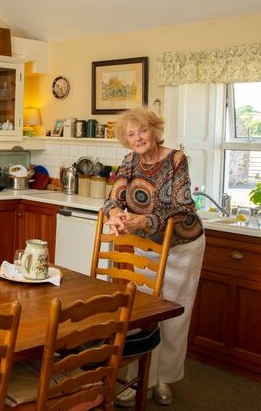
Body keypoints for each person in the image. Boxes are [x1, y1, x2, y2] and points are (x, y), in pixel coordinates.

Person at [102, 107, 205, 407]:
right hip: (148, 247)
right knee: (143, 315)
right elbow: (113, 198)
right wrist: (116, 214)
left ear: (155, 130)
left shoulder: (176, 159)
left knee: (174, 315)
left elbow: (181, 206)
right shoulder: (129, 161)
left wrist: (145, 221)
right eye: (131, 134)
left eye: (143, 131)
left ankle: (164, 380)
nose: (138, 138)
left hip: (182, 246)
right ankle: (138, 379)